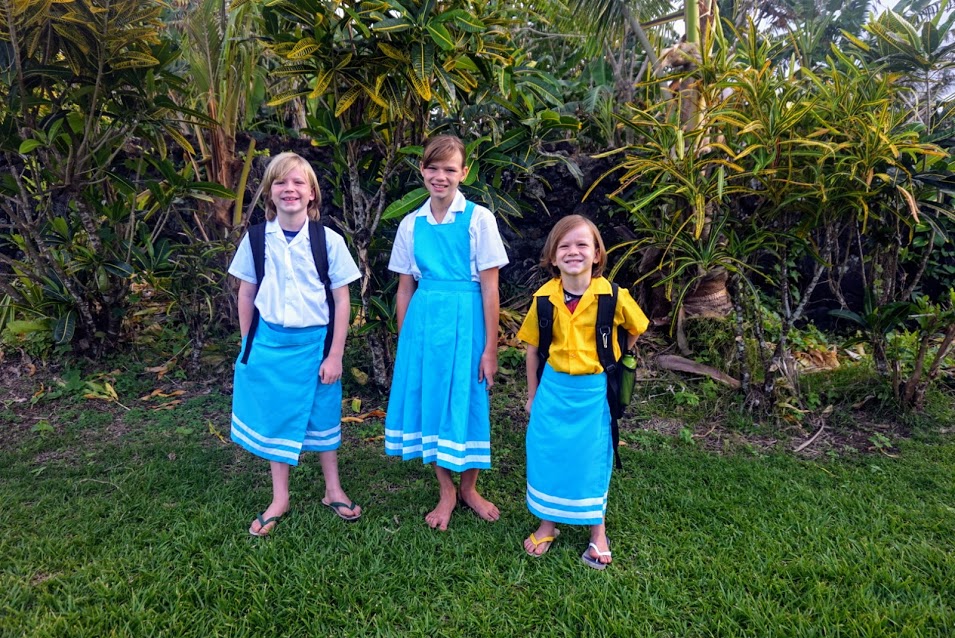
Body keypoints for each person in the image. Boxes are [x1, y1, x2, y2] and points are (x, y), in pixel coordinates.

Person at [229, 152, 362, 536]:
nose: (290, 189)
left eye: (299, 183)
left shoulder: (328, 241)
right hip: (270, 344)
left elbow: (341, 300)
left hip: (317, 346)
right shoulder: (256, 239)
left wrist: (335, 353)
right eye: (281, 183)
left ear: (312, 195)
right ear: (270, 194)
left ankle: (332, 488)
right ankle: (280, 497)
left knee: (323, 417)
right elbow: (245, 293)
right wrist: (247, 344)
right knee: (276, 419)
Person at [385, 135, 509, 531]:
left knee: (469, 397)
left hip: (467, 320)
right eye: (433, 168)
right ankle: (446, 490)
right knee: (432, 399)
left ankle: (470, 488)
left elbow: (490, 287)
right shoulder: (411, 223)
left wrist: (490, 348)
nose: (440, 177)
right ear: (422, 170)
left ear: (464, 173)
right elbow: (405, 289)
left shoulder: (478, 219)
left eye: (449, 169)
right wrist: (407, 341)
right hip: (424, 324)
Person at [517, 214, 649, 568]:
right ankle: (548, 524)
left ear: (596, 255)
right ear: (553, 257)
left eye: (582, 245)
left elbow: (636, 328)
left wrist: (617, 353)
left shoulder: (613, 296)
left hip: (594, 395)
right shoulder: (544, 299)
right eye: (564, 246)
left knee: (592, 461)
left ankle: (597, 531)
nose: (573, 251)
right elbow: (532, 349)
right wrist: (532, 396)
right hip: (553, 391)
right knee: (547, 456)